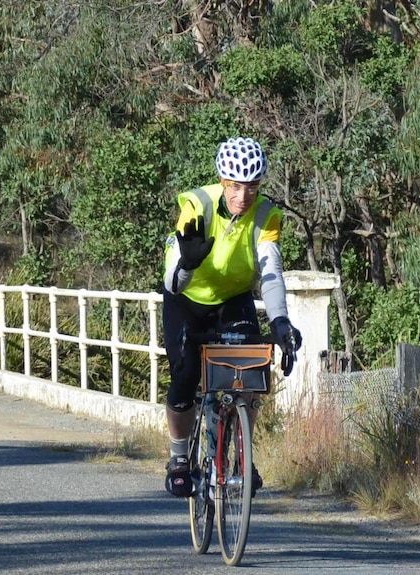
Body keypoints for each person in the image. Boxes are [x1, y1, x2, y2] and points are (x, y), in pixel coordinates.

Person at [162, 136, 302, 497]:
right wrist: (188, 261)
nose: (244, 196)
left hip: (233, 299)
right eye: (236, 186)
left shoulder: (266, 215)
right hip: (188, 298)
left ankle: (242, 457)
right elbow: (172, 282)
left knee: (249, 375)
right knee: (185, 374)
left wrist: (281, 322)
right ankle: (180, 459)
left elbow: (270, 271)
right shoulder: (197, 205)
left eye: (252, 186)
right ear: (223, 182)